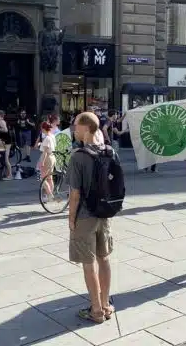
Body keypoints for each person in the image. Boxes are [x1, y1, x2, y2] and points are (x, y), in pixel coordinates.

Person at [67, 112, 115, 323]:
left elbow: (74, 194)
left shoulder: (78, 156)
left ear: (86, 128)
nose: (74, 129)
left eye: (76, 125)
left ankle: (95, 311)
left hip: (85, 215)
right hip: (104, 214)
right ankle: (105, 304)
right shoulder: (109, 151)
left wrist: (71, 219)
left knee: (88, 263)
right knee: (104, 259)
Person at [38, 122, 56, 203]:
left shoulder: (47, 138)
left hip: (47, 158)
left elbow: (45, 152)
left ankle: (49, 194)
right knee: (49, 178)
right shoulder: (52, 136)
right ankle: (50, 195)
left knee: (42, 178)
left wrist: (42, 162)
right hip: (52, 157)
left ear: (43, 129)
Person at [0, 110, 13, 180]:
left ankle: (10, 175)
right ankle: (6, 173)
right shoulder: (0, 121)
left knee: (6, 159)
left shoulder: (2, 122)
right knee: (3, 157)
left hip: (7, 143)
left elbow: (5, 130)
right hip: (4, 142)